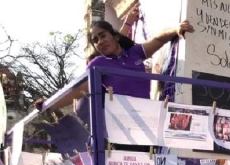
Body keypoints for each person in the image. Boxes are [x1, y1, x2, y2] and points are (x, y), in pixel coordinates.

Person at [39, 17, 194, 111]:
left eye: (102, 36)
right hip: (121, 128)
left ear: (116, 37)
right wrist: (47, 105)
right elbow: (78, 90)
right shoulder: (98, 64)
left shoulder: (134, 53)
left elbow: (158, 40)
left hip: (148, 121)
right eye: (95, 40)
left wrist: (176, 29)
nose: (100, 42)